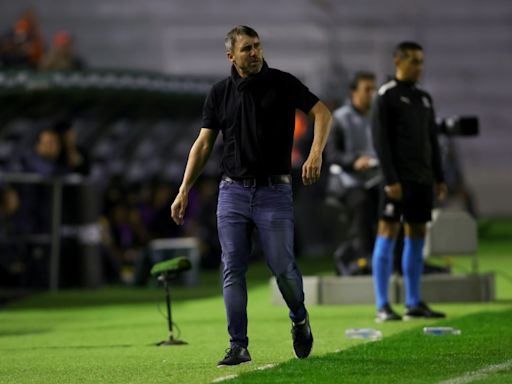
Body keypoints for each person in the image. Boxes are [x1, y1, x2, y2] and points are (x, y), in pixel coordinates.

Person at [170, 25, 332, 366]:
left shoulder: (283, 83)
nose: (255, 52)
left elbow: (322, 112)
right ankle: (238, 345)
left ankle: (299, 318)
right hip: (232, 193)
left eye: (257, 46)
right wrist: (184, 189)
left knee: (282, 267)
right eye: (247, 49)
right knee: (232, 268)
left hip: (274, 191)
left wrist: (315, 152)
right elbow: (203, 145)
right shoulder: (219, 93)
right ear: (231, 56)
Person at [371, 41, 448, 322]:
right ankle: (382, 305)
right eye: (414, 61)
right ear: (398, 61)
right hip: (397, 181)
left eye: (421, 61)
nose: (419, 66)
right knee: (387, 233)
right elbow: (381, 142)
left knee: (417, 236)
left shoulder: (424, 98)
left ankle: (413, 302)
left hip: (421, 179)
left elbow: (432, 141)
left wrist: (439, 177)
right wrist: (391, 179)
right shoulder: (386, 95)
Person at [327, 71, 380, 275]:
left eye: (373, 89)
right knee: (362, 203)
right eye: (367, 89)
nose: (371, 94)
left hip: (375, 179)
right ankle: (363, 257)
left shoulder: (377, 116)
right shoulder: (340, 119)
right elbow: (332, 155)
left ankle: (394, 257)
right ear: (353, 92)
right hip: (347, 182)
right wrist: (354, 162)